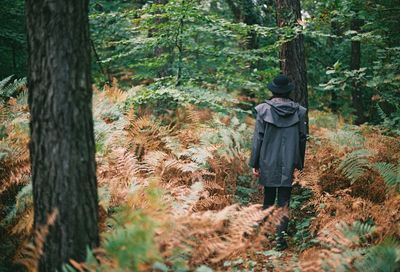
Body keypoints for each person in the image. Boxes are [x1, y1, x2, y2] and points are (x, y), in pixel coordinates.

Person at [249, 74, 307, 250]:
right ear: (288, 91)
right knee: (284, 199)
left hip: (267, 160)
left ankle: (265, 235)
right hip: (289, 161)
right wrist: (298, 163)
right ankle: (280, 238)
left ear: (272, 91)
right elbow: (302, 138)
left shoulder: (263, 110)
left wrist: (255, 163)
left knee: (268, 197)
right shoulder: (299, 111)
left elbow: (258, 138)